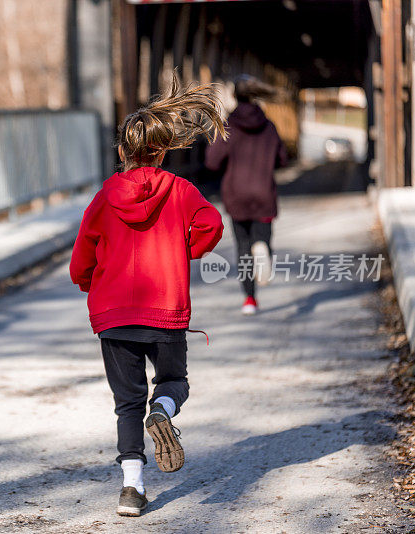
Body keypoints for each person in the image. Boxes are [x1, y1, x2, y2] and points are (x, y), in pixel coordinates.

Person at [69, 74, 226, 517]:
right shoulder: (180, 191)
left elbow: (82, 256)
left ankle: (132, 490)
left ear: (123, 151)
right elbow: (212, 225)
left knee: (126, 404)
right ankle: (164, 409)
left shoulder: (104, 197)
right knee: (174, 383)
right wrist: (185, 250)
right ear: (160, 150)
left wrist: (89, 283)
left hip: (114, 315)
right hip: (165, 310)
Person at [205, 75, 288, 315]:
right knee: (262, 239)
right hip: (264, 195)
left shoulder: (228, 126)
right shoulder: (269, 126)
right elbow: (282, 159)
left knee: (243, 248)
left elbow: (212, 161)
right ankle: (263, 246)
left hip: (236, 195)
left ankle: (250, 299)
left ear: (235, 96)